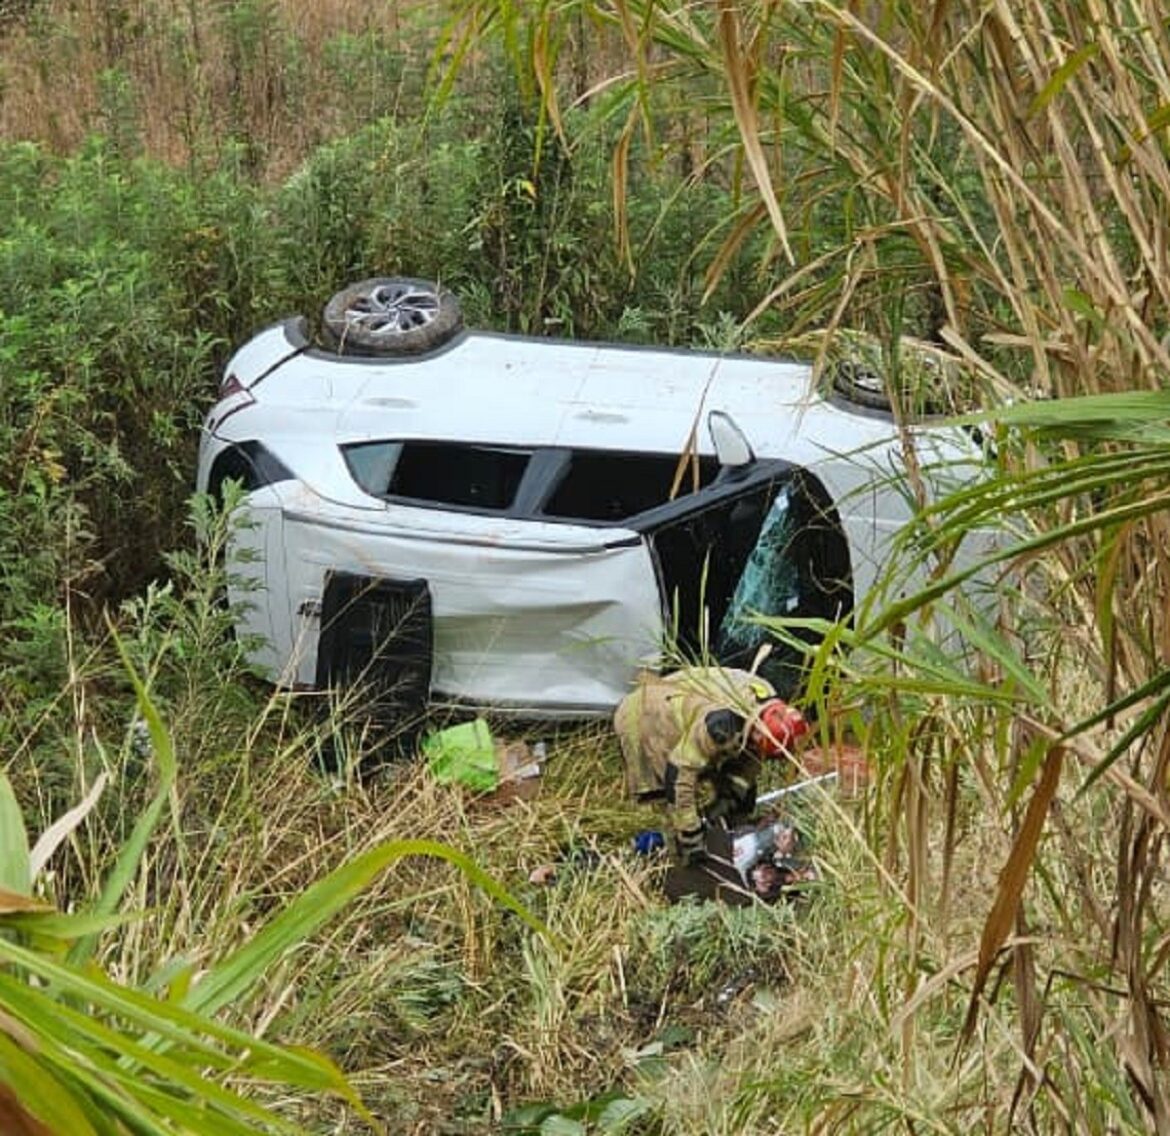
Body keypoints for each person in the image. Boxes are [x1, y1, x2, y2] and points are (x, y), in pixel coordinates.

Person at [614, 666, 808, 864]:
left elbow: (749, 763)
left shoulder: (765, 709)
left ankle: (715, 836)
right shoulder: (721, 725)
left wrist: (728, 802)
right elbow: (679, 775)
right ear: (758, 732)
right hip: (647, 718)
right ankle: (647, 854)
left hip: (690, 709)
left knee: (731, 794)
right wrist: (691, 833)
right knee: (664, 803)